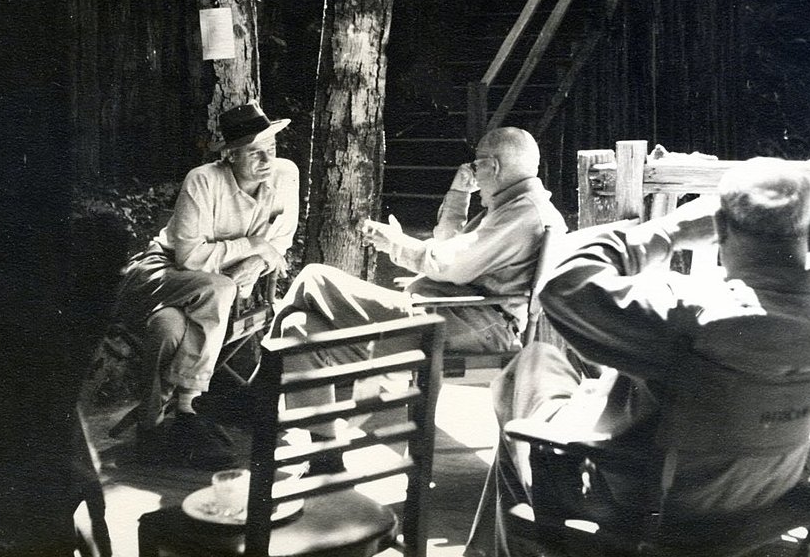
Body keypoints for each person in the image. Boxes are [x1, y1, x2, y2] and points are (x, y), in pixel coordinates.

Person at [465, 157, 810, 556]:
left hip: (648, 507)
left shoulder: (696, 315)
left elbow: (560, 286)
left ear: (719, 228)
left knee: (530, 367)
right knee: (560, 374)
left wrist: (669, 232)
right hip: (757, 499)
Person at [271, 127, 565, 443]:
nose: (472, 172)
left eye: (476, 164)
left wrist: (395, 243)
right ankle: (325, 449)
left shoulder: (523, 212)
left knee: (315, 278)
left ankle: (259, 395)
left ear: (493, 166)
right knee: (298, 325)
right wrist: (459, 194)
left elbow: (446, 262)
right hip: (453, 318)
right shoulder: (514, 207)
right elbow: (449, 245)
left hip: (466, 325)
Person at [113, 103, 299, 469]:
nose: (266, 160)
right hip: (162, 274)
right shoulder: (204, 180)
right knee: (220, 290)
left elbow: (281, 239)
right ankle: (188, 406)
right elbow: (187, 257)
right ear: (230, 155)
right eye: (254, 152)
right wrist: (250, 247)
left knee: (168, 328)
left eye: (271, 149)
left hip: (208, 289)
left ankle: (152, 427)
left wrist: (258, 260)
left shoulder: (284, 176)